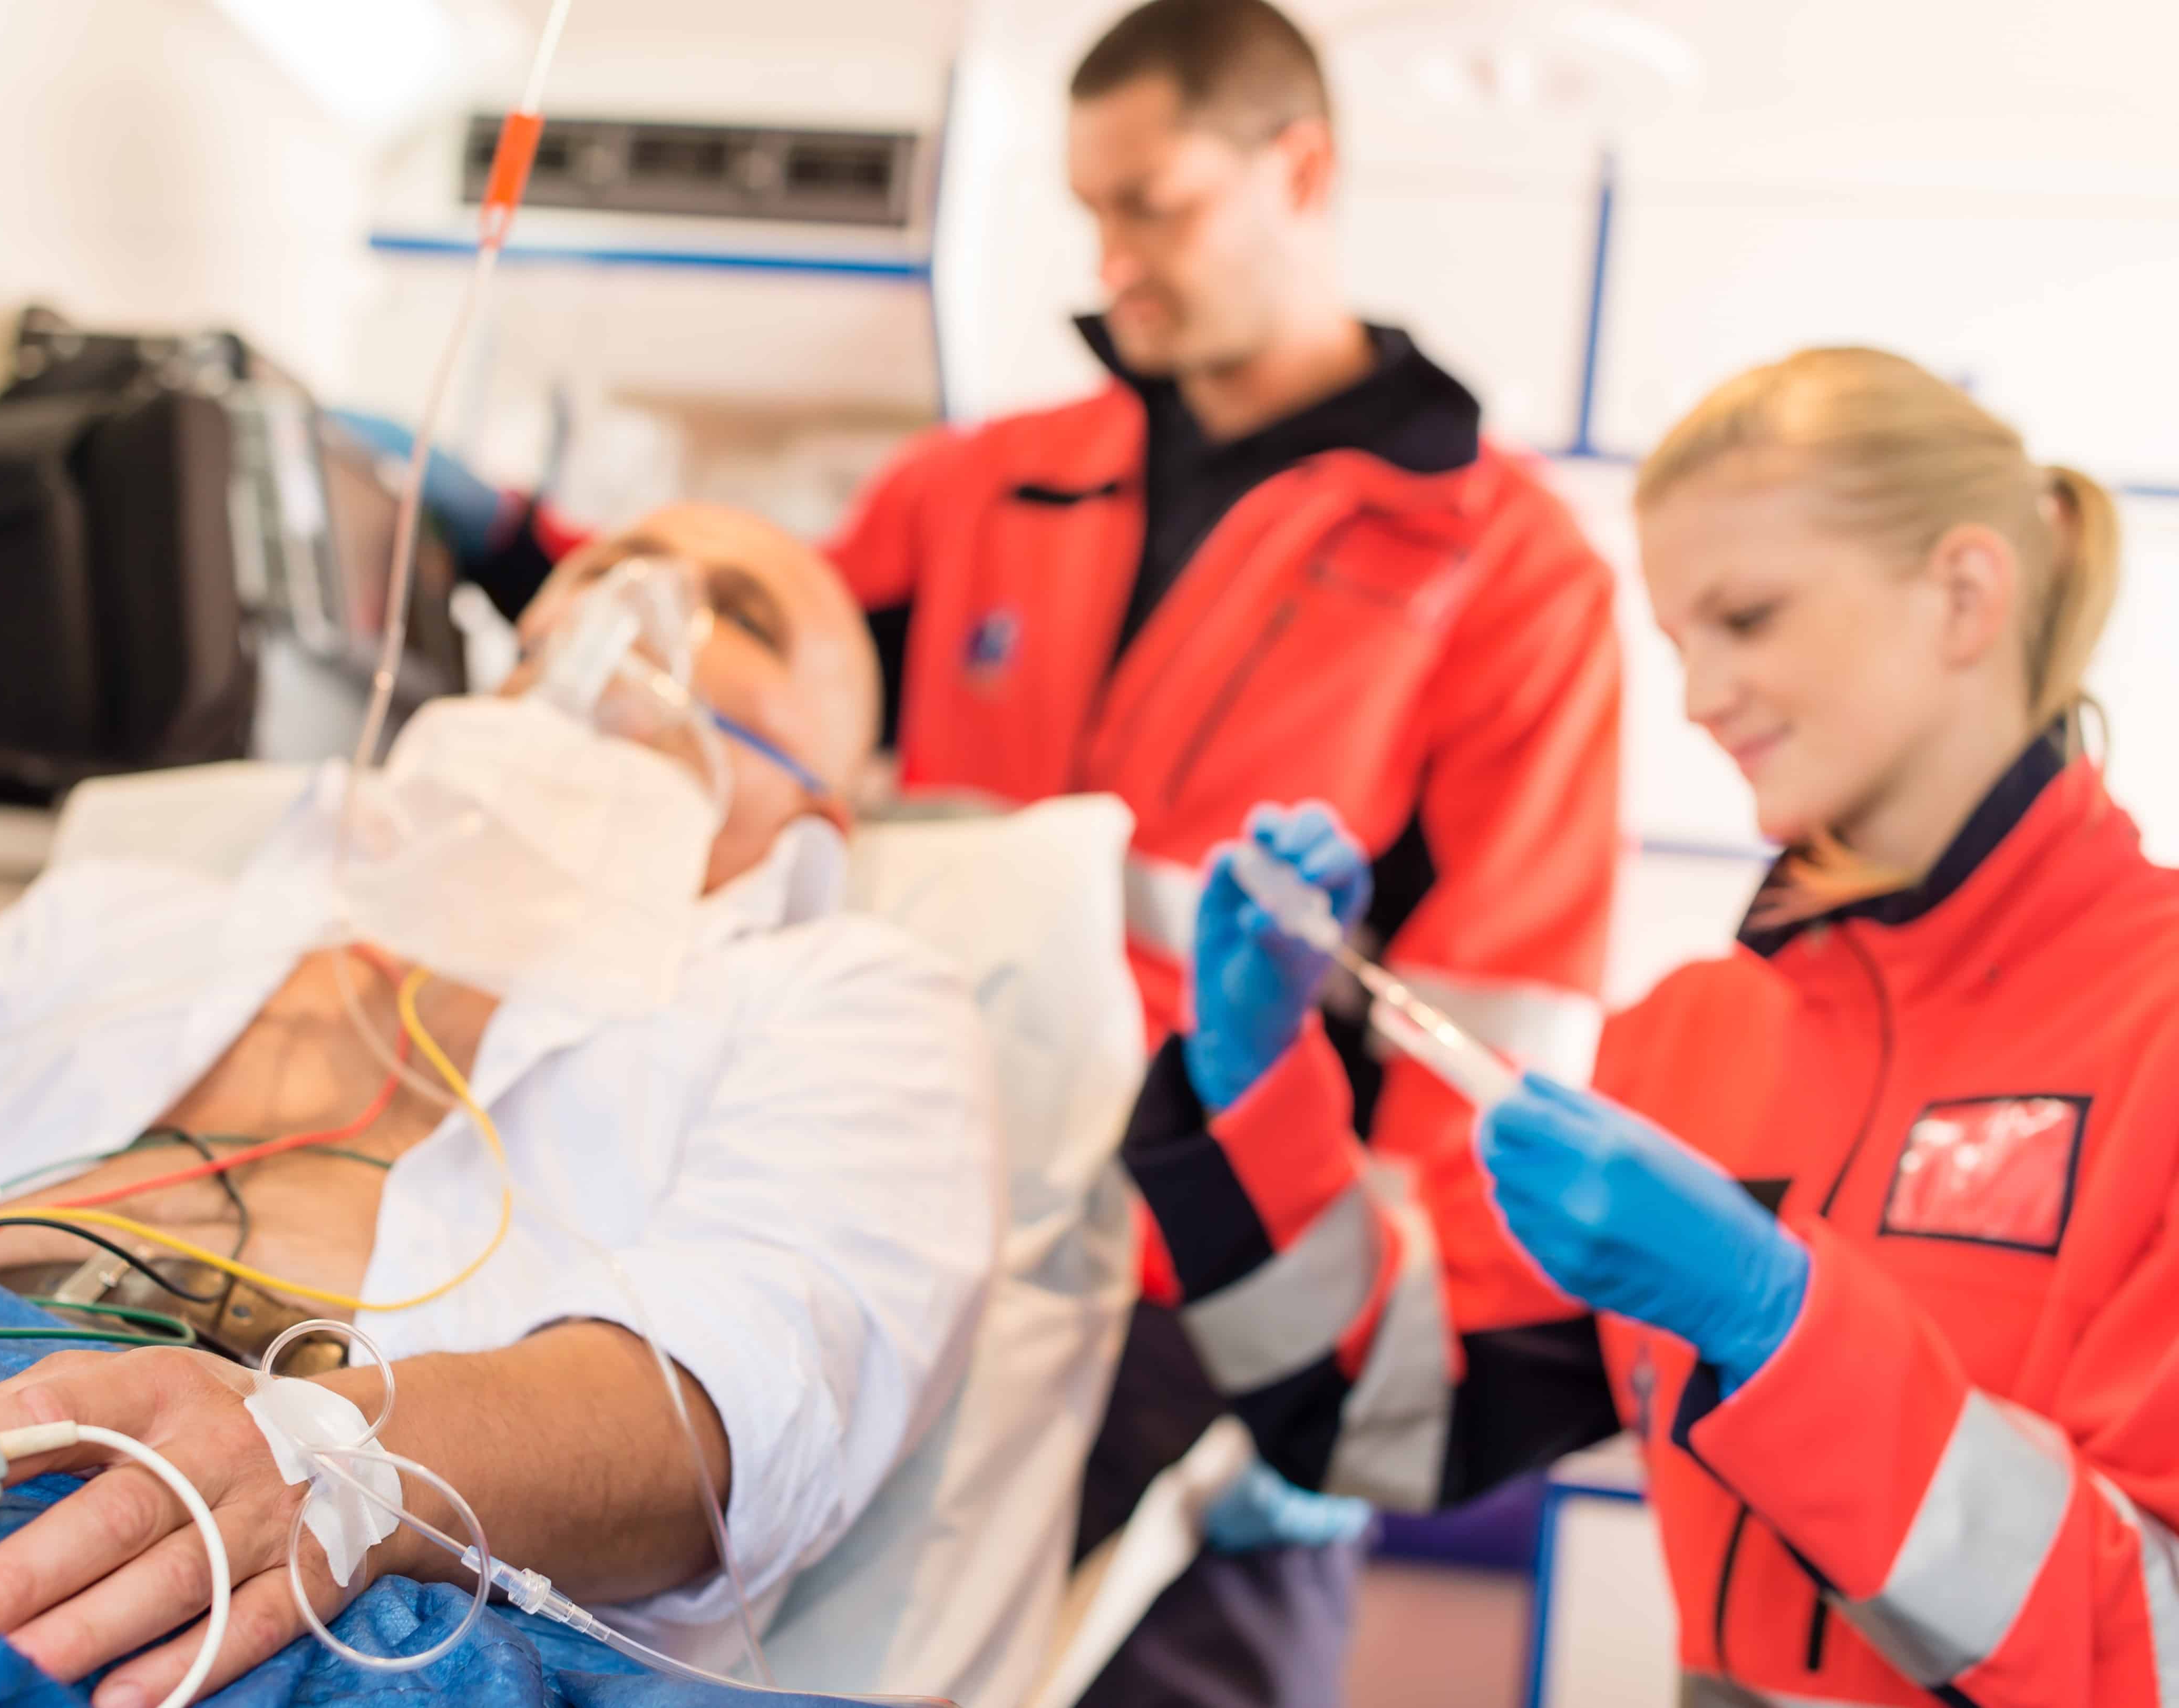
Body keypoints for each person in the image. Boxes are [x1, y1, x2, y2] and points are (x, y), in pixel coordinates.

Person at [438, 2, 1623, 1694]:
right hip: (920, 1198)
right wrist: (506, 541)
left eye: (1157, 206)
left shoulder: (1504, 573)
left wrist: (1352, 1383)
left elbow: (1495, 1045)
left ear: (1303, 170)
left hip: (1216, 1306)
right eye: (1092, 212)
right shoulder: (989, 487)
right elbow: (760, 668)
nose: (1115, 261)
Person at [0, 504, 1000, 1706]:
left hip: (329, 1585)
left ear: (827, 815)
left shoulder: (847, 1000)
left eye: (736, 609)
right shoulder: (122, 924)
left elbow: (731, 1409)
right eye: (595, 574)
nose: (634, 615)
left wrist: (335, 1456)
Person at [1140, 347, 2178, 1706]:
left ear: (1966, 594)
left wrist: (1787, 1334)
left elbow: (2149, 1648)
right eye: (1682, 642)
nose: (1697, 699)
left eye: (1748, 620)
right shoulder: (1692, 1044)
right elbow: (1384, 1418)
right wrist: (1256, 1098)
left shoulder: (2156, 1025)